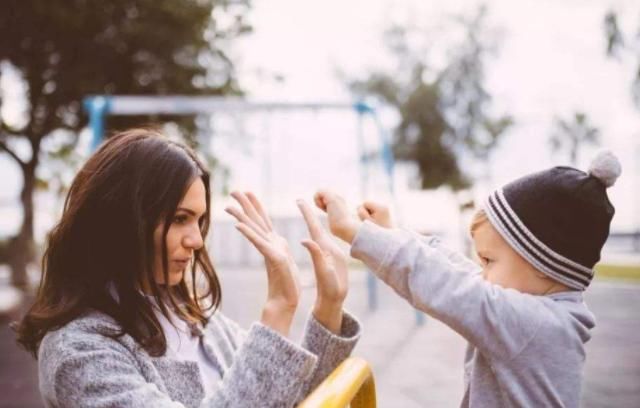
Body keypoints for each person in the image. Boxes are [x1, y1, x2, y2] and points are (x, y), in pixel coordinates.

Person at [14, 128, 360, 407]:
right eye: (180, 219)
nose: (196, 240)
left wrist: (328, 305)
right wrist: (278, 310)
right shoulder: (77, 351)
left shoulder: (197, 320)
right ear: (121, 219)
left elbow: (289, 398)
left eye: (200, 221)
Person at [313, 151, 621, 407]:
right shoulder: (545, 312)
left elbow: (447, 284)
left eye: (488, 260)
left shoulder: (534, 324)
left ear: (543, 264)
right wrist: (391, 234)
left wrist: (356, 233)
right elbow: (459, 270)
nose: (481, 270)